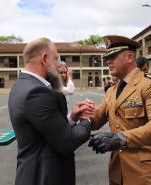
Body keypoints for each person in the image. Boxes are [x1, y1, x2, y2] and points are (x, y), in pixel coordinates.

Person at [8, 38, 95, 185]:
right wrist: (88, 120)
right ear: (44, 58)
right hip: (43, 176)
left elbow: (44, 127)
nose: (58, 65)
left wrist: (73, 117)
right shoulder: (36, 92)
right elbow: (67, 142)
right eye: (56, 59)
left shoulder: (22, 84)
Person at [88, 35, 151, 185]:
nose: (108, 61)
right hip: (117, 173)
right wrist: (78, 116)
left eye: (113, 56)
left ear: (130, 57)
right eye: (107, 57)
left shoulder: (150, 86)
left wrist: (121, 139)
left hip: (144, 174)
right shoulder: (112, 91)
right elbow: (96, 121)